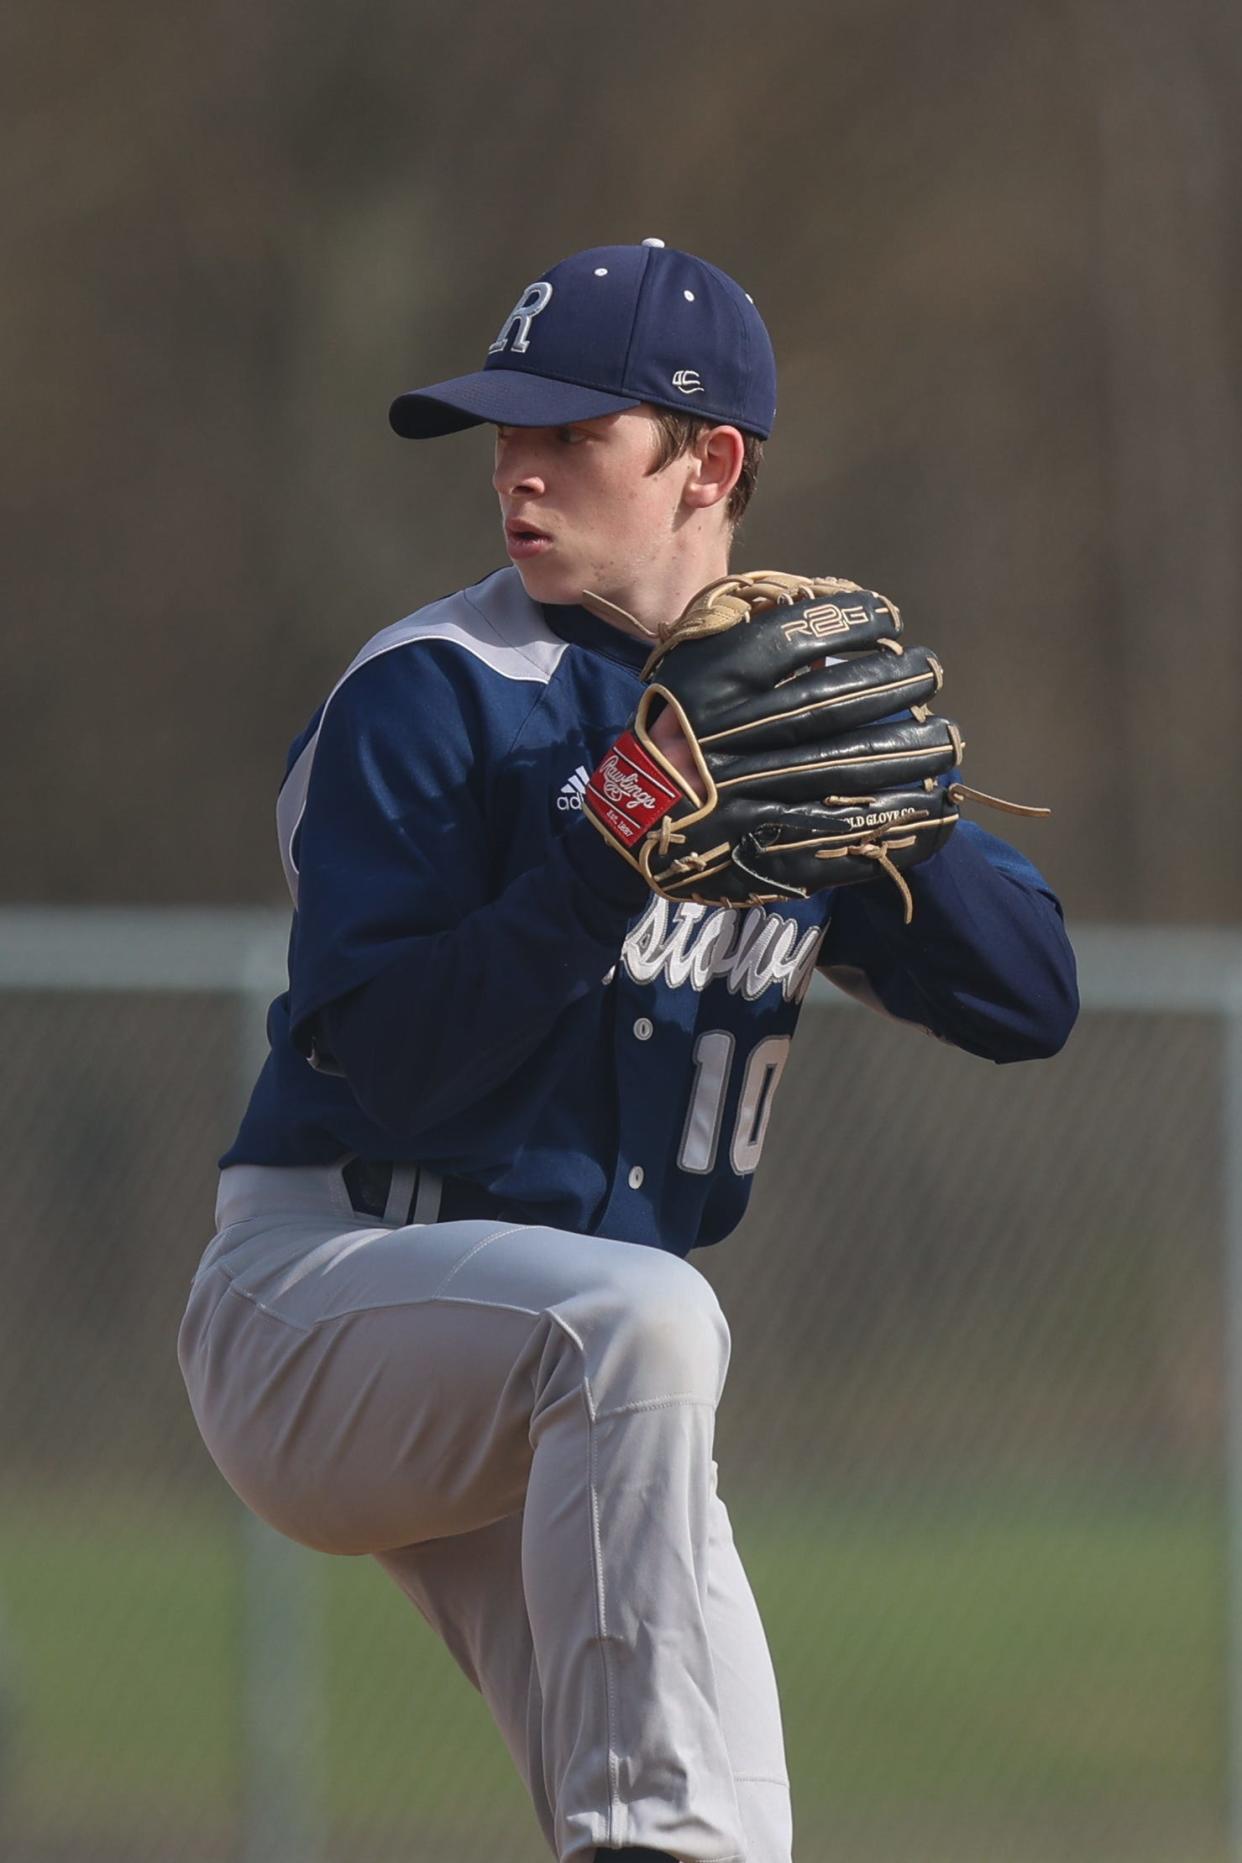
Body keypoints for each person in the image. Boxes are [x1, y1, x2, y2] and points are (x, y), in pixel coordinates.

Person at [178, 238, 1077, 1863]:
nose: (517, 472)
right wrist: (603, 853)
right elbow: (393, 1064)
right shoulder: (435, 694)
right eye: (501, 434)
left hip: (574, 1382)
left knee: (722, 1833)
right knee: (647, 1319)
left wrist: (903, 815)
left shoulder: (780, 722)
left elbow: (1027, 1003)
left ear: (706, 464)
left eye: (570, 434)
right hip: (325, 1301)